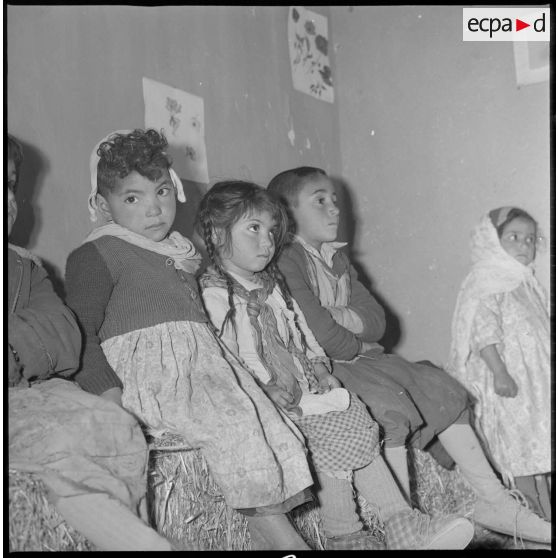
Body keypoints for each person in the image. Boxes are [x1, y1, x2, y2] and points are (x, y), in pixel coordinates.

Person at [267, 166, 551, 544]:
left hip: (360, 358)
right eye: (321, 201)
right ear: (286, 211)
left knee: (442, 387)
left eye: (335, 200)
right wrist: (356, 337)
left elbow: (377, 322)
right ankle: (404, 524)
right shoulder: (288, 260)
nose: (335, 209)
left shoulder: (338, 260)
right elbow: (323, 336)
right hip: (324, 367)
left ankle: (493, 498)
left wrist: (347, 324)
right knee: (388, 406)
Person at [64, 129, 315, 551]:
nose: (154, 208)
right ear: (103, 205)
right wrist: (108, 396)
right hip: (155, 377)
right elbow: (81, 334)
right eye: (133, 198)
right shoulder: (97, 253)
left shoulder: (182, 255)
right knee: (233, 429)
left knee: (273, 428)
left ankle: (270, 539)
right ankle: (290, 545)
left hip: (204, 368)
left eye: (161, 191)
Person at [196, 180, 475, 551]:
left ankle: (400, 520)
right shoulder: (215, 294)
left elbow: (299, 328)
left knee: (354, 414)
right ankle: (345, 532)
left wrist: (320, 365)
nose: (267, 242)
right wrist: (261, 389)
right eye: (253, 229)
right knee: (330, 429)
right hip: (262, 396)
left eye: (271, 231)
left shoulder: (272, 285)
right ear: (216, 234)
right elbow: (221, 356)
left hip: (301, 384)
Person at [7, 133, 176, 551]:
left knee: (110, 426)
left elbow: (63, 332)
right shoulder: (95, 256)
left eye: (9, 184)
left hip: (19, 393)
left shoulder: (24, 267)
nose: (7, 199)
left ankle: (139, 540)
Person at [447, 207, 551, 521]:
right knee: (519, 450)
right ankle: (530, 516)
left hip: (533, 384)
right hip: (508, 383)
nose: (524, 245)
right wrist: (500, 372)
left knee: (537, 448)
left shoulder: (524, 282)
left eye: (530, 239)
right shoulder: (487, 280)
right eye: (514, 237)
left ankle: (546, 512)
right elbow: (482, 332)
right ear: (492, 240)